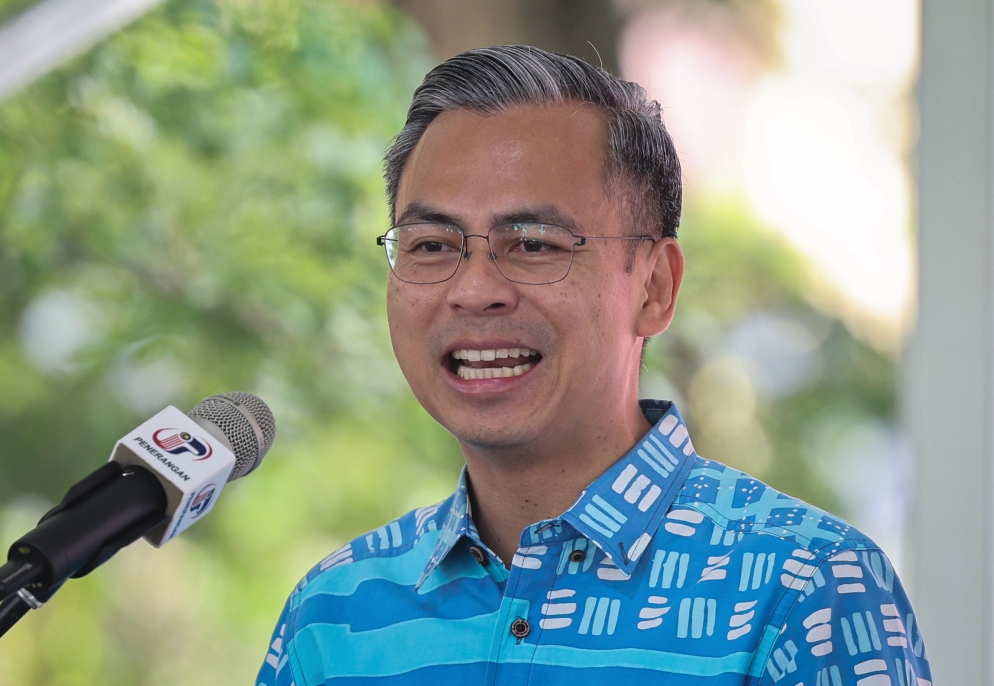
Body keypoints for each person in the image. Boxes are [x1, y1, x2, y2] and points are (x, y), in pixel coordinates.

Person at [256, 46, 932, 685]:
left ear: (654, 288)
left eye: (535, 245)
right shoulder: (333, 614)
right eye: (432, 244)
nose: (474, 288)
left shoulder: (807, 589)